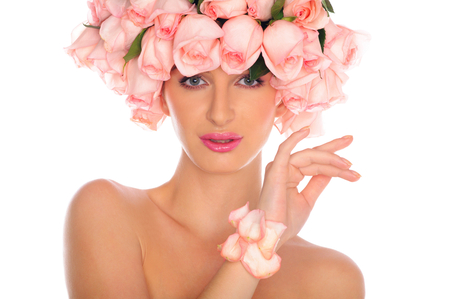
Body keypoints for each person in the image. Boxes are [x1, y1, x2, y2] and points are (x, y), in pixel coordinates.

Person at [64, 0, 369, 298]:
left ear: (285, 93)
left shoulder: (331, 281)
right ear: (159, 88)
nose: (220, 113)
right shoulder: (107, 214)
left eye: (248, 81)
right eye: (194, 80)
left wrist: (265, 235)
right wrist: (257, 247)